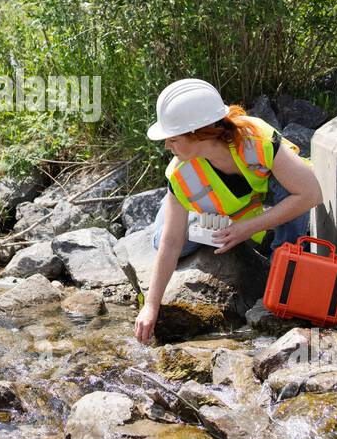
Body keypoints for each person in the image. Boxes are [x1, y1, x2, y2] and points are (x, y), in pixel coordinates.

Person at [136, 77, 324, 344]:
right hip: (211, 214)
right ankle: (187, 216)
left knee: (290, 187)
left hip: (247, 211)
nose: (167, 145)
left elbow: (311, 193)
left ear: (198, 133)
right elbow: (171, 242)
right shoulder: (179, 174)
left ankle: (284, 267)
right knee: (160, 241)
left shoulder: (257, 140)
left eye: (172, 138)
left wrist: (248, 228)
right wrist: (151, 306)